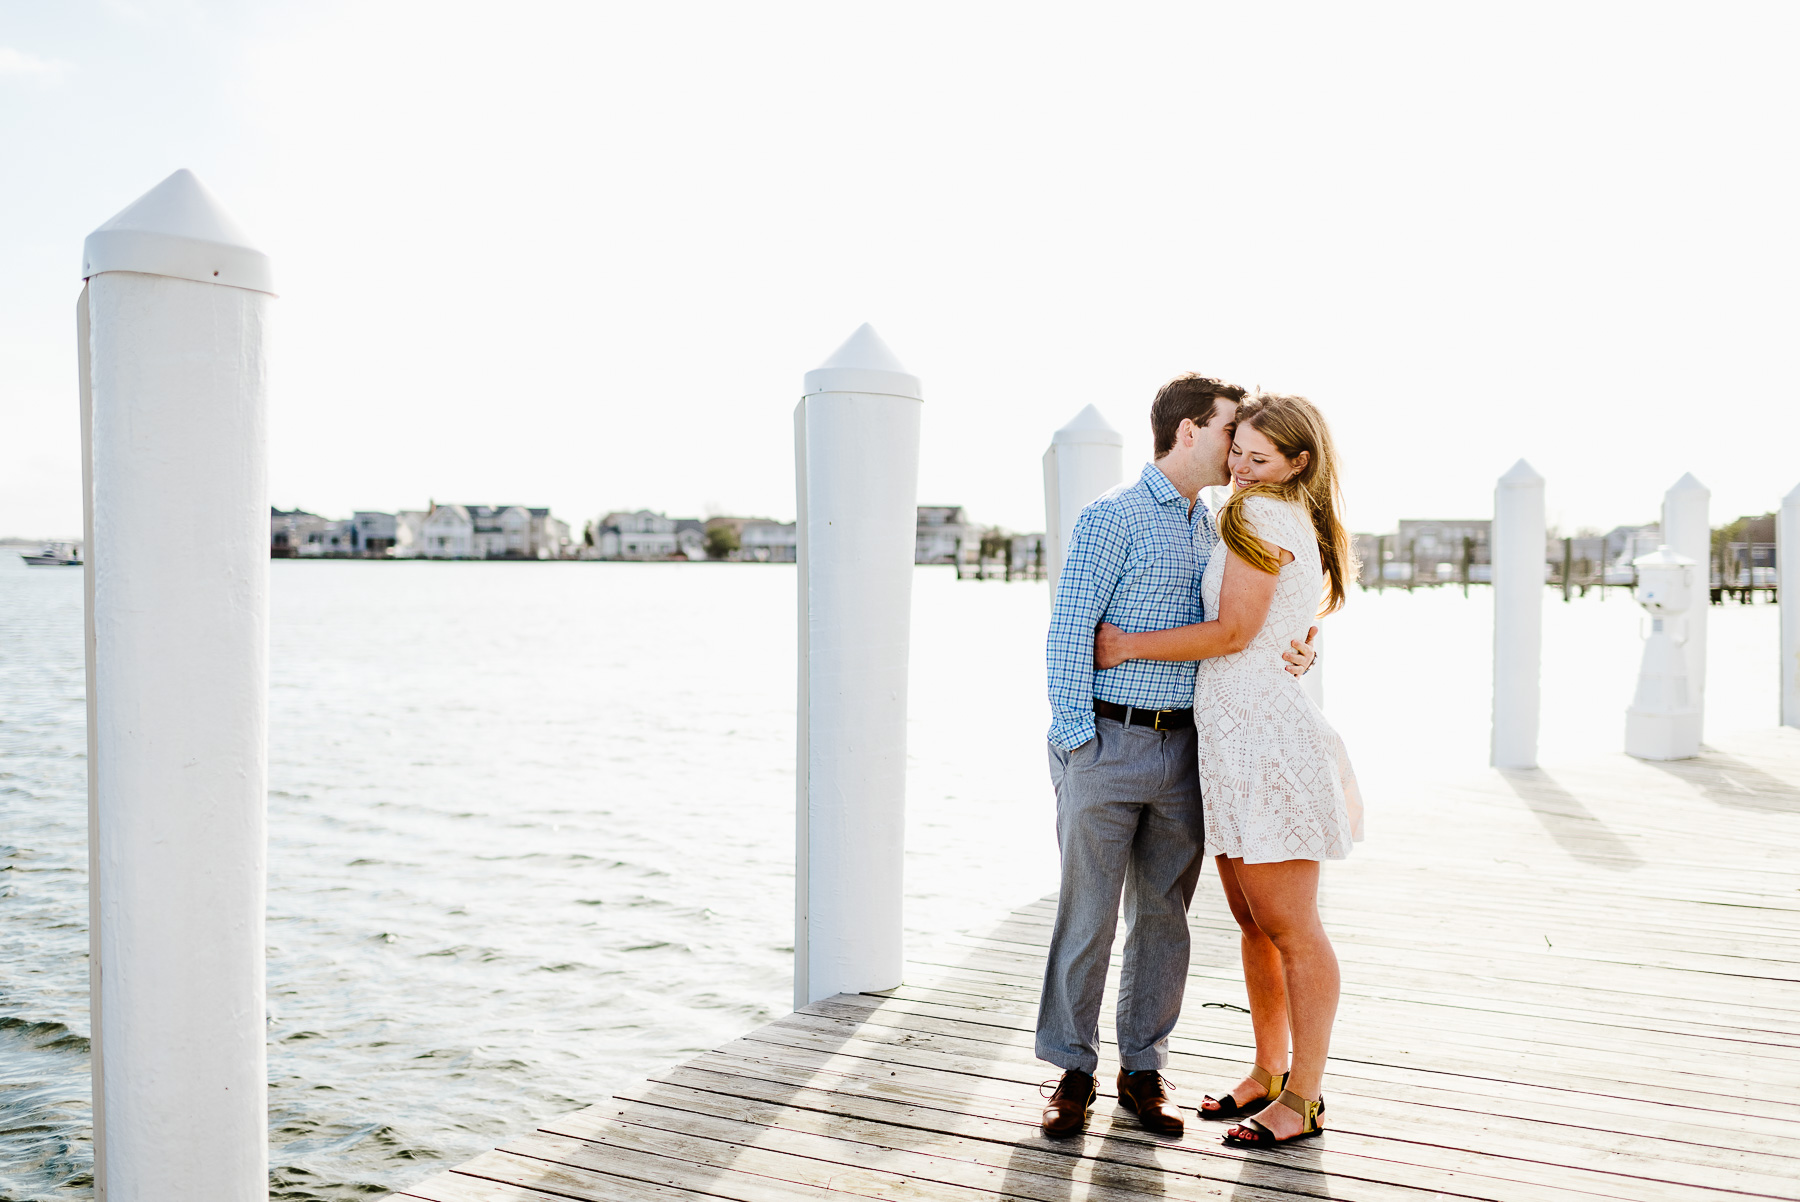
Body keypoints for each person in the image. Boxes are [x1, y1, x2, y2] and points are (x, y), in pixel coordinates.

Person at [1036, 375, 1316, 1139]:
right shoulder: (1111, 517)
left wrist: (1301, 647)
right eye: (1232, 433)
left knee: (1165, 918)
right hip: (1107, 740)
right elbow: (1068, 634)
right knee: (1087, 916)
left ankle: (1143, 1071)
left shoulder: (1221, 522)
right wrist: (1075, 745)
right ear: (1190, 431)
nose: (1242, 448)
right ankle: (1072, 1072)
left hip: (1192, 749)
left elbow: (1256, 616)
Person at [1094, 392, 1363, 1149]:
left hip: (1266, 744)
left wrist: (1128, 647)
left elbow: (1237, 629)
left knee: (1292, 929)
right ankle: (1267, 1072)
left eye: (1260, 459)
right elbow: (1286, 623)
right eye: (1236, 451)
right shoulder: (1270, 514)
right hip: (1233, 739)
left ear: (1296, 464)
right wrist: (1303, 644)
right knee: (1253, 923)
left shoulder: (1257, 516)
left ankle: (1303, 1098)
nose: (1240, 470)